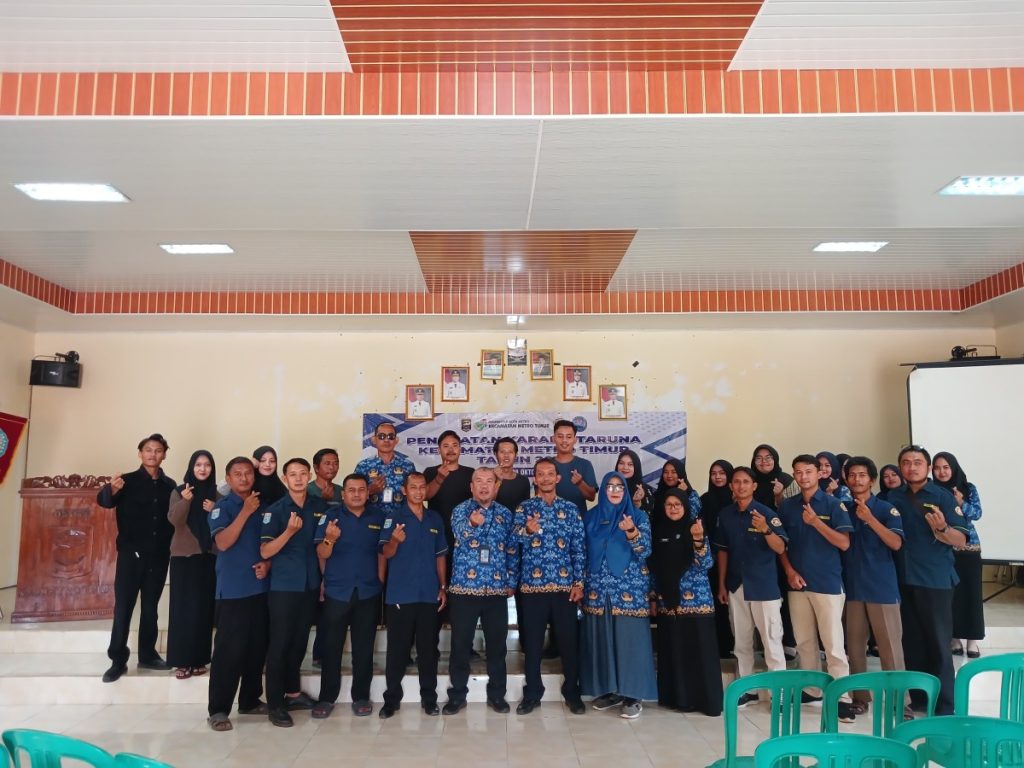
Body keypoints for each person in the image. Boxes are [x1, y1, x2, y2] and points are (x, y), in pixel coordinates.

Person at [888, 445, 968, 715]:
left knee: (938, 644)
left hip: (935, 580)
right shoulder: (893, 497)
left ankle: (945, 705)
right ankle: (921, 699)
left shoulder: (942, 497)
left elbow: (961, 539)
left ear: (928, 467)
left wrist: (942, 528)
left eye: (917, 462)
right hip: (902, 579)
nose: (911, 467)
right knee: (912, 643)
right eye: (906, 462)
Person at [778, 454, 856, 722]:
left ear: (819, 474)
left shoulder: (833, 504)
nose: (803, 476)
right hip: (797, 583)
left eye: (808, 471)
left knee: (833, 643)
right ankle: (812, 690)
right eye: (798, 472)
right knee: (804, 642)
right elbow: (782, 545)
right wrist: (789, 571)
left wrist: (816, 522)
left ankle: (842, 697)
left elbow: (844, 543)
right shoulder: (788, 506)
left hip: (827, 582)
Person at [98, 433, 177, 683]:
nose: (153, 454)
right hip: (131, 555)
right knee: (123, 607)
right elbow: (105, 501)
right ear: (140, 453)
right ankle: (117, 659)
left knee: (150, 607)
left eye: (158, 450)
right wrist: (111, 489)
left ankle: (147, 654)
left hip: (159, 555)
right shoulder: (126, 481)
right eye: (148, 450)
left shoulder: (170, 485)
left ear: (164, 455)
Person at [580, 472, 657, 719]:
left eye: (619, 487)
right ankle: (612, 690)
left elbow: (645, 550)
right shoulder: (591, 517)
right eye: (610, 487)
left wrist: (631, 531)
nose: (614, 491)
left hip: (628, 590)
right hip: (598, 590)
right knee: (603, 641)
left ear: (625, 491)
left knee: (630, 643)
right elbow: (581, 553)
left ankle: (633, 694)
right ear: (603, 490)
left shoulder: (638, 516)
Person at [513, 458, 586, 715]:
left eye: (550, 474)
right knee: (532, 645)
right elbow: (512, 543)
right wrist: (527, 531)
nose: (545, 478)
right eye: (540, 474)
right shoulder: (524, 509)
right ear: (535, 479)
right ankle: (532, 693)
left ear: (558, 478)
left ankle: (572, 692)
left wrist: (579, 583)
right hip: (532, 588)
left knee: (568, 644)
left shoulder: (570, 509)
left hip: (565, 588)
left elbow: (579, 549)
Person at [443, 468, 519, 715]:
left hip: (496, 590)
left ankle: (497, 695)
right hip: (465, 589)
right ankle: (457, 695)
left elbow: (512, 550)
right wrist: (472, 524)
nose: (484, 486)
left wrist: (511, 581)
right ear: (471, 486)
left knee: (497, 647)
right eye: (479, 481)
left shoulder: (505, 514)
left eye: (489, 482)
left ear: (496, 487)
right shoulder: (461, 510)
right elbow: (460, 535)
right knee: (460, 646)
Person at [260, 457, 328, 727]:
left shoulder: (319, 507)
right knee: (280, 644)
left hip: (310, 585)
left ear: (309, 476)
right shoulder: (275, 510)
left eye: (303, 473)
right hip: (284, 587)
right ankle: (275, 704)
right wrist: (288, 532)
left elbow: (322, 548)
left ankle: (292, 693)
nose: (298, 479)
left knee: (300, 642)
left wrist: (323, 581)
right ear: (285, 478)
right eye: (293, 474)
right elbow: (265, 551)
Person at [206, 457, 272, 732]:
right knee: (228, 653)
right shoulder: (222, 508)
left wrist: (268, 564)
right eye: (238, 474)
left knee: (256, 649)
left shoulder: (264, 507)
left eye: (248, 473)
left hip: (261, 589)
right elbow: (222, 543)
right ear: (228, 478)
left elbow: (269, 545)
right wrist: (244, 512)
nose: (244, 478)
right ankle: (218, 709)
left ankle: (250, 700)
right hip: (233, 591)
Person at [714, 466, 789, 706]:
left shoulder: (766, 513)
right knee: (741, 642)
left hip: (764, 587)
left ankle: (779, 694)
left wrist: (765, 529)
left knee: (772, 641)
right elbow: (723, 551)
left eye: (746, 482)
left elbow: (780, 547)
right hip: (736, 586)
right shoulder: (726, 515)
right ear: (731, 486)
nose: (741, 486)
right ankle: (746, 689)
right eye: (736, 482)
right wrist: (722, 584)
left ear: (754, 486)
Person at [312, 473, 384, 719]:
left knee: (364, 647)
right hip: (337, 591)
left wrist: (380, 580)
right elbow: (321, 552)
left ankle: (361, 696)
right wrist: (330, 539)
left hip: (368, 591)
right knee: (332, 647)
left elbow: (384, 552)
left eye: (361, 490)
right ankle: (326, 697)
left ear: (367, 493)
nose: (356, 494)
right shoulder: (331, 517)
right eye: (351, 490)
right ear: (343, 494)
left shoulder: (378, 517)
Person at [378, 472, 448, 718]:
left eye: (422, 487)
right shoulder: (393, 518)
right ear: (404, 491)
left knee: (428, 650)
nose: (418, 491)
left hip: (428, 593)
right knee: (397, 651)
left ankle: (429, 699)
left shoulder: (434, 518)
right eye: (413, 487)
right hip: (401, 594)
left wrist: (442, 586)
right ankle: (391, 700)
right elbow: (385, 553)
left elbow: (440, 555)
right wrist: (394, 541)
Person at [841, 456, 907, 717]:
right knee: (855, 646)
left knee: (890, 646)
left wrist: (869, 519)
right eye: (852, 475)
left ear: (871, 480)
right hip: (853, 586)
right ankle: (860, 697)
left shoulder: (886, 509)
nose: (857, 480)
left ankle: (900, 702)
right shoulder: (843, 509)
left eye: (862, 475)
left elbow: (896, 543)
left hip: (881, 587)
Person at [650, 488, 723, 716]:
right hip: (669, 605)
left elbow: (706, 563)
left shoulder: (695, 529)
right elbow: (654, 568)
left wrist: (698, 539)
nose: (673, 508)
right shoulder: (659, 531)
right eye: (669, 504)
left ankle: (706, 702)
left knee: (699, 653)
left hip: (696, 604)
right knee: (675, 653)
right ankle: (679, 700)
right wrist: (653, 596)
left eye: (678, 504)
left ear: (685, 507)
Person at [166, 450, 219, 680]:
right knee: (182, 609)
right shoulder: (179, 491)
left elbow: (222, 524)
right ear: (191, 467)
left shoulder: (217, 495)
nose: (202, 469)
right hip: (183, 558)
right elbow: (174, 520)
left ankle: (199, 659)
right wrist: (186, 501)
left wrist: (214, 510)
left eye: (207, 465)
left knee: (203, 610)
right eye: (198, 464)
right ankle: (182, 660)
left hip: (208, 557)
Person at [932, 452, 985, 658]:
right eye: (937, 468)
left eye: (946, 467)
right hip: (943, 549)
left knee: (972, 594)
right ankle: (954, 638)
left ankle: (972, 640)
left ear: (953, 468)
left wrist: (961, 502)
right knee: (951, 596)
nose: (942, 472)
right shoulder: (932, 491)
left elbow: (977, 514)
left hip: (969, 549)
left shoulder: (968, 488)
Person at [307, 447, 342, 668]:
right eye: (327, 463)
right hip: (310, 555)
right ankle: (317, 653)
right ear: (316, 467)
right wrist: (321, 500)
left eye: (335, 462)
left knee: (329, 607)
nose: (332, 467)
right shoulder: (307, 490)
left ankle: (325, 652)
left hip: (334, 555)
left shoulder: (341, 491)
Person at [699, 459, 735, 658]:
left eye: (722, 473)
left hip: (737, 560)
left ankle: (736, 646)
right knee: (718, 603)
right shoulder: (705, 499)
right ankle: (720, 647)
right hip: (712, 560)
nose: (718, 477)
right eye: (714, 473)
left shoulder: (737, 499)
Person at [355, 422, 415, 516]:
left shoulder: (408, 466)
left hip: (400, 519)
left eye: (391, 436)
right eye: (382, 436)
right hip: (370, 519)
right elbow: (354, 496)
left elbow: (414, 495)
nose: (386, 440)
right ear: (374, 440)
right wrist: (369, 490)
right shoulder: (363, 466)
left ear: (396, 440)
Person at [552, 419, 597, 515]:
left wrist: (580, 483)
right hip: (550, 519)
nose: (564, 440)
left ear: (575, 440)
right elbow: (538, 496)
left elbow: (591, 497)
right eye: (560, 436)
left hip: (578, 519)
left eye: (568, 437)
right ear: (553, 438)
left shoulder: (585, 464)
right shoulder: (545, 465)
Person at [750, 444, 798, 510]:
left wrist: (779, 495)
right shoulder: (749, 480)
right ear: (754, 461)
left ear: (775, 459)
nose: (763, 461)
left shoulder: (786, 480)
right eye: (759, 458)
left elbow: (794, 509)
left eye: (768, 457)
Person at [494, 436, 532, 511]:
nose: (506, 455)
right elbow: (485, 503)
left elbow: (526, 508)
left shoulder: (523, 480)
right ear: (496, 454)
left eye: (510, 452)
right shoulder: (487, 478)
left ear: (516, 455)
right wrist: (498, 480)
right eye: (502, 452)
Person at [617, 449, 655, 515]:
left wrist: (637, 504)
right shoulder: (610, 487)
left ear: (636, 467)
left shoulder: (645, 490)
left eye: (630, 464)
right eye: (621, 463)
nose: (625, 467)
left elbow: (649, 518)